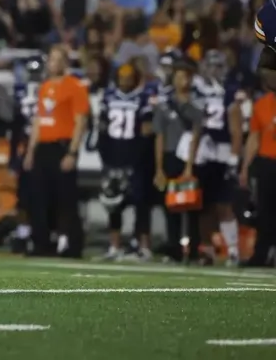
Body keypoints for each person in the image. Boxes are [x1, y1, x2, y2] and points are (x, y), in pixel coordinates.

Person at [23, 46, 89, 258]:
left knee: (66, 199)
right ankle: (41, 242)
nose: (53, 63)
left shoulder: (75, 87)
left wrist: (72, 152)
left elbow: (80, 122)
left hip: (63, 145)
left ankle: (72, 243)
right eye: (51, 59)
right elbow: (38, 120)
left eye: (57, 59)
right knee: (39, 198)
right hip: (44, 146)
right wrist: (31, 149)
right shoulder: (45, 87)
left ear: (65, 63)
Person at [97, 62, 156, 260]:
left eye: (129, 76)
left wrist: (137, 159)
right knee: (113, 203)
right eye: (122, 76)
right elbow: (102, 129)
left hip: (135, 159)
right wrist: (105, 158)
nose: (125, 80)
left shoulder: (143, 98)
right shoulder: (108, 97)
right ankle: (115, 246)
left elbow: (147, 131)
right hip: (114, 157)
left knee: (141, 203)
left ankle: (144, 246)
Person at [192, 50, 242, 265]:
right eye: (210, 66)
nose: (213, 71)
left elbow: (236, 129)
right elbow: (195, 127)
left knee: (224, 205)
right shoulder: (199, 92)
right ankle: (208, 250)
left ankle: (232, 250)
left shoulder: (229, 92)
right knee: (203, 206)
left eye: (217, 66)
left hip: (222, 152)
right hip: (204, 153)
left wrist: (233, 157)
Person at [153, 62, 204, 262]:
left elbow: (196, 137)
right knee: (171, 206)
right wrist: (159, 168)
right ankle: (174, 247)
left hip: (190, 158)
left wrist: (189, 166)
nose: (183, 80)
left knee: (192, 206)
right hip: (170, 156)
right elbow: (159, 138)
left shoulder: (196, 106)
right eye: (179, 76)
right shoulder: (164, 106)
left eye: (186, 76)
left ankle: (193, 249)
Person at [241, 87, 276, 268]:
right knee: (265, 212)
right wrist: (245, 167)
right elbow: (254, 137)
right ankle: (261, 255)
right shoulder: (262, 104)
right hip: (267, 163)